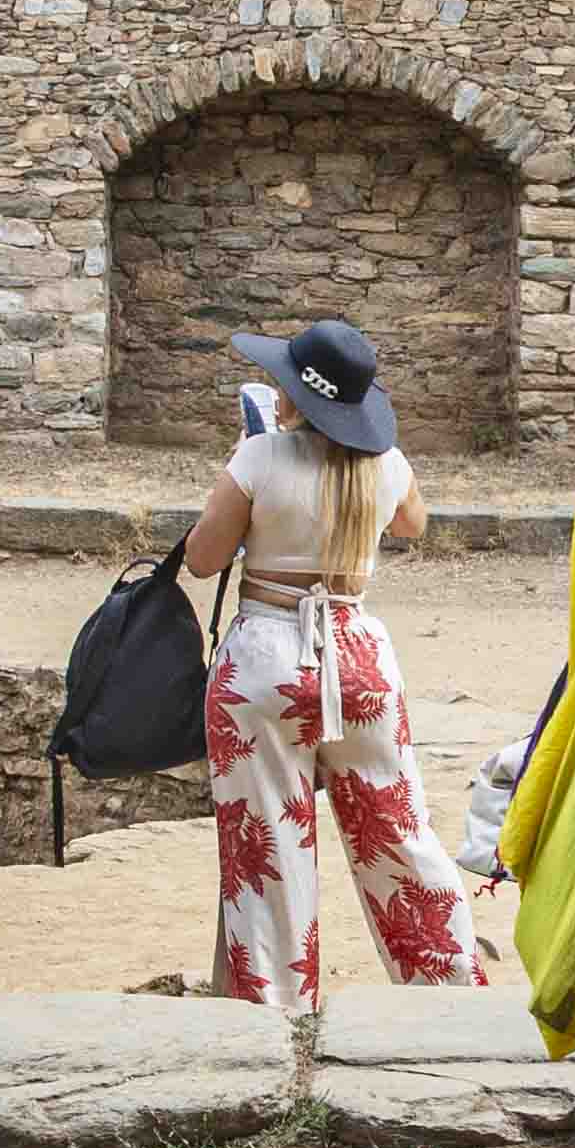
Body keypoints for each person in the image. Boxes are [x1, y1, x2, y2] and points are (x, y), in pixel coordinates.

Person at [181, 315, 483, 1022]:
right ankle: (451, 998)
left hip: (265, 657)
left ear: (291, 393)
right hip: (357, 653)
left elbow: (202, 558)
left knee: (271, 846)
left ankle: (275, 1016)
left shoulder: (258, 460)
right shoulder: (387, 466)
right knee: (397, 832)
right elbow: (412, 523)